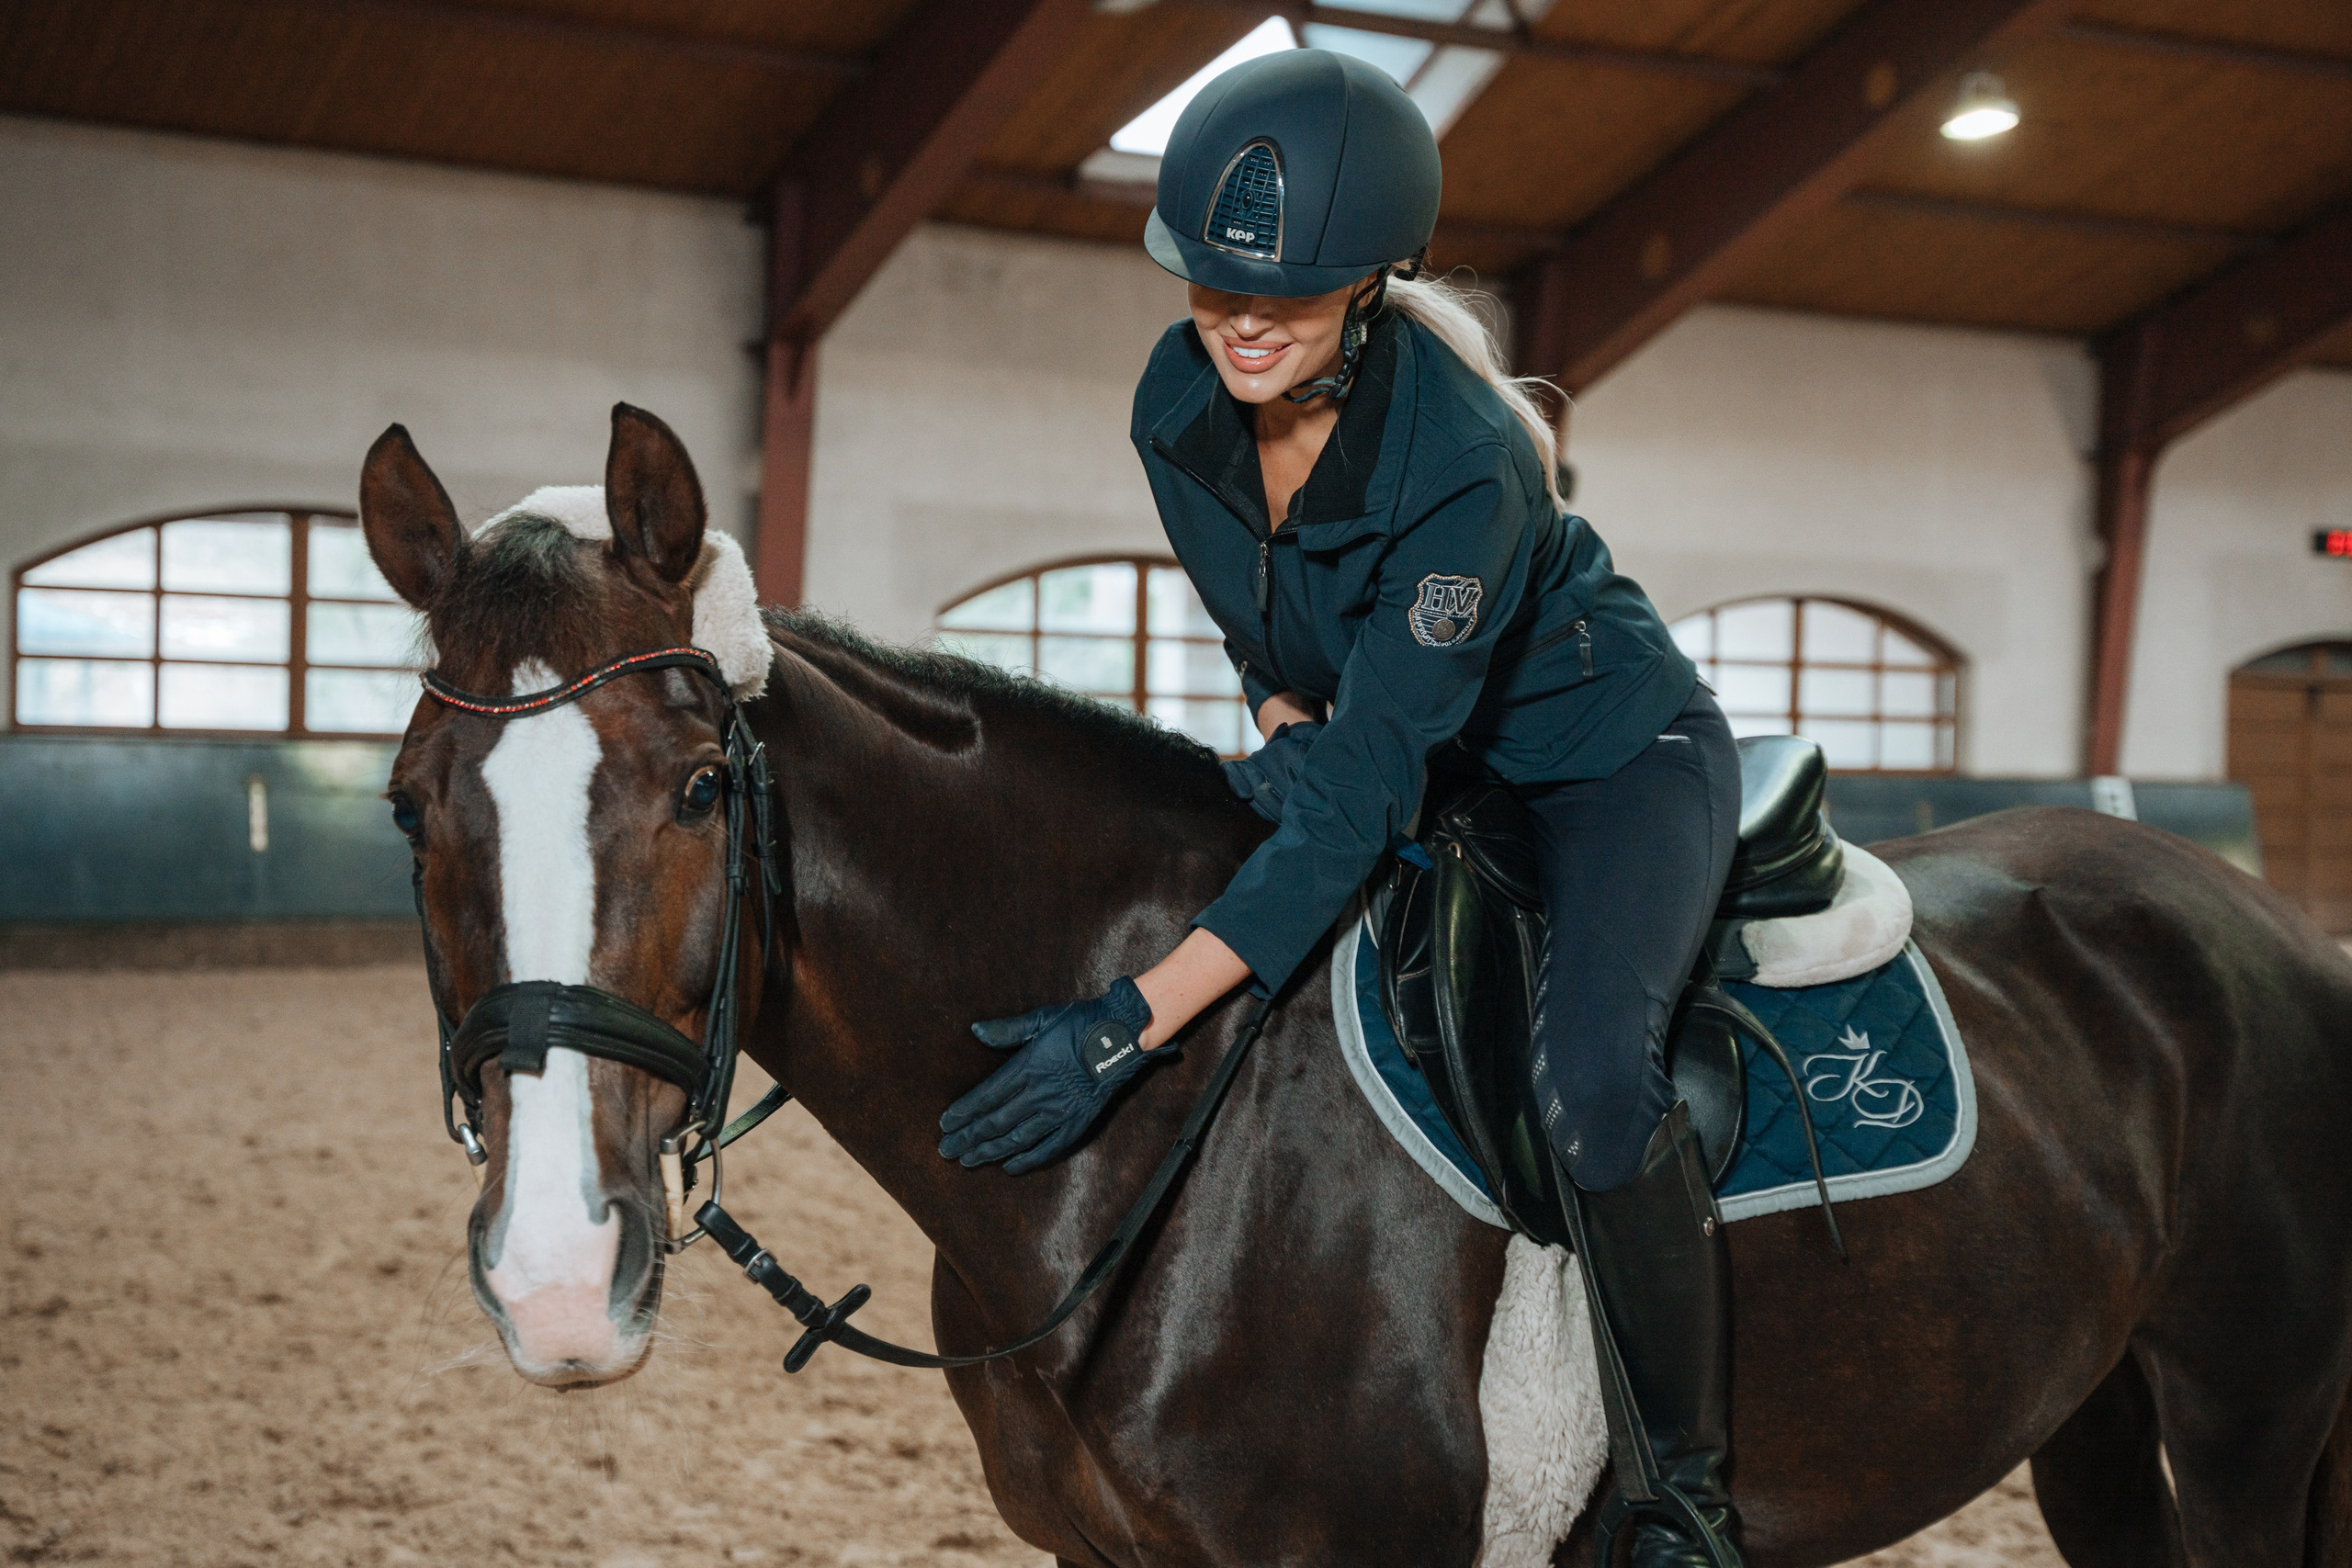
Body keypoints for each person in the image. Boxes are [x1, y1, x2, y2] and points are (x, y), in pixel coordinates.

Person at [935, 48, 1744, 1567]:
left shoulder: (1467, 463)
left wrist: (1125, 1023)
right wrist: (1280, 717)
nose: (1242, 320)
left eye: (1289, 294)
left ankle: (1682, 1501)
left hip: (1607, 765)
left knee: (1592, 1089)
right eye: (1213, 282)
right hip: (1406, 747)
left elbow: (1360, 809)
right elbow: (1258, 621)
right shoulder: (1178, 400)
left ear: (1371, 281)